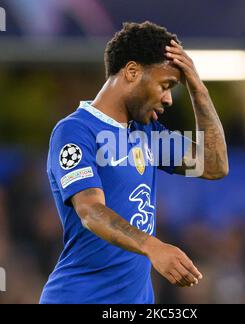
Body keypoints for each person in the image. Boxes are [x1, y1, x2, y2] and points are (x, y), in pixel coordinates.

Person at [40, 21, 229, 304]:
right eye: (165, 85)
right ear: (132, 71)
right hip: (78, 297)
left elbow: (214, 165)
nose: (168, 99)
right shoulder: (75, 131)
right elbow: (91, 211)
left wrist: (198, 89)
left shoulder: (147, 134)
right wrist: (153, 247)